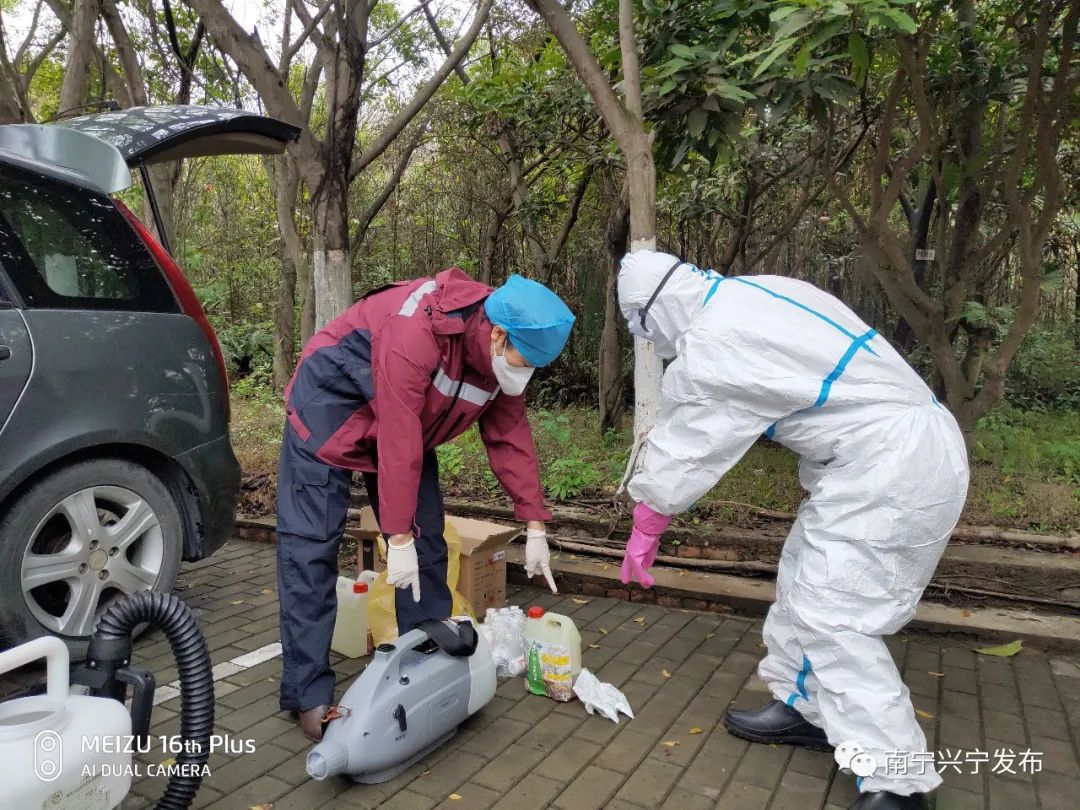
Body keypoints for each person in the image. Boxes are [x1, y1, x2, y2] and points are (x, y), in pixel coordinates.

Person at [617, 250, 968, 810]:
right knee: (804, 578)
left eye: (643, 328)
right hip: (883, 457)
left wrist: (648, 522)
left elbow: (688, 444)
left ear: (653, 309)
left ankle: (898, 785)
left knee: (835, 616)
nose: (651, 341)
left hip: (891, 466)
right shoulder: (754, 291)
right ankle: (804, 707)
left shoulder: (715, 341)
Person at [277, 268, 573, 741]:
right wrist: (396, 538)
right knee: (310, 551)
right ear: (498, 335)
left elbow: (511, 438)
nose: (526, 373)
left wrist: (535, 523)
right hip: (327, 417)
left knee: (428, 541)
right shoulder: (414, 329)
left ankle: (423, 656)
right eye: (525, 361)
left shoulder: (497, 361)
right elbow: (397, 436)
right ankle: (306, 691)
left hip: (403, 428)